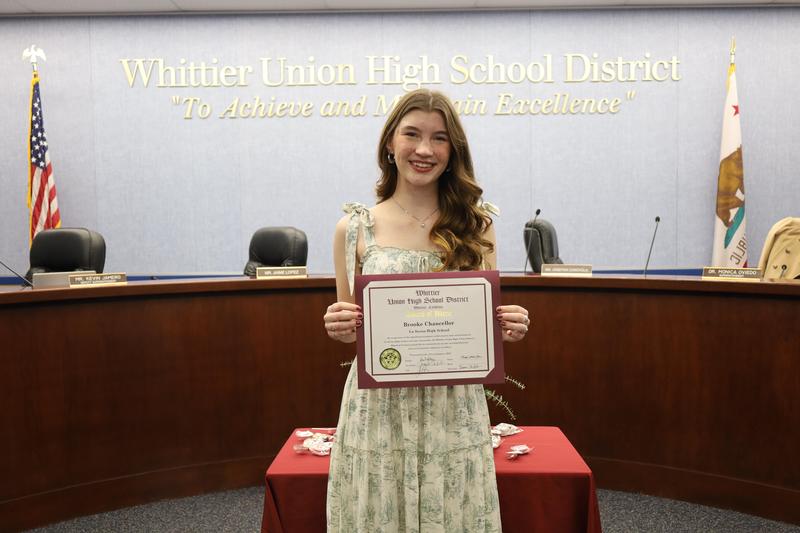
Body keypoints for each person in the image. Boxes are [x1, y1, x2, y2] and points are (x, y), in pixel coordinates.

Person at [322, 88, 531, 532]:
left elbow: (483, 320)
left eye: (439, 138)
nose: (424, 149)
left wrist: (506, 325)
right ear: (390, 143)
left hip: (453, 405)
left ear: (453, 151)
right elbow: (351, 329)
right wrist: (340, 326)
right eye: (412, 134)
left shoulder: (478, 225)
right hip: (379, 407)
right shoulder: (354, 228)